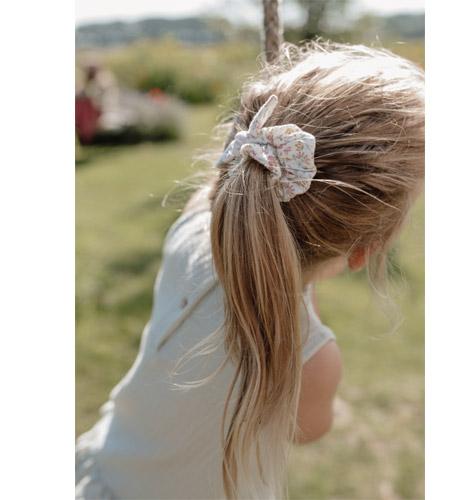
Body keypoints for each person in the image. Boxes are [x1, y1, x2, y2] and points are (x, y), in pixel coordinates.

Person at [76, 42, 424, 500]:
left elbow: (221, 186)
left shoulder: (192, 229)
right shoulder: (312, 357)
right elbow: (309, 430)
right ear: (363, 252)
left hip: (109, 467)